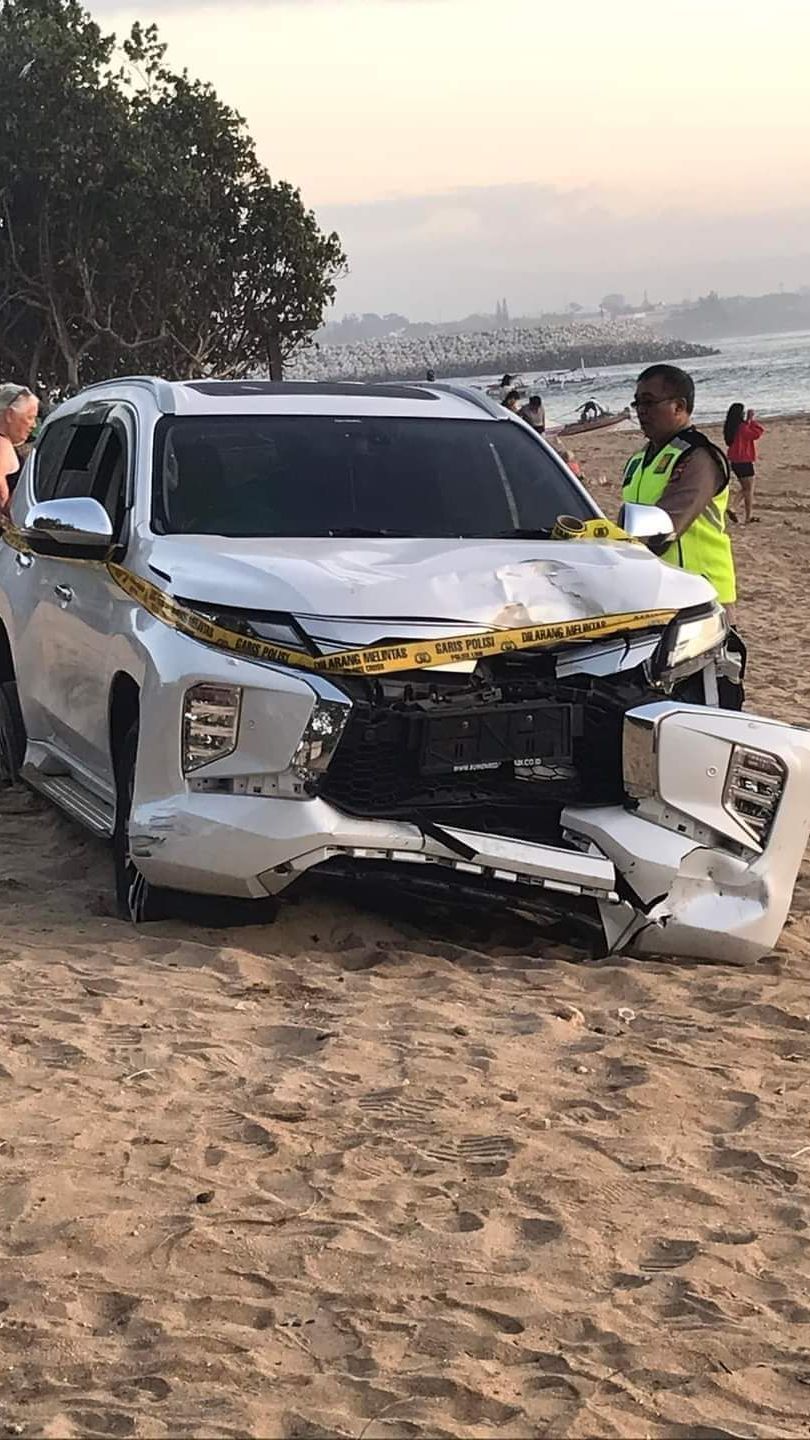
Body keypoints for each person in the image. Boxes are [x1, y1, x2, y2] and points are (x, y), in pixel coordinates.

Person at [622, 364, 736, 605]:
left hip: (700, 595)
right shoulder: (638, 460)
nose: (641, 411)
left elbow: (663, 530)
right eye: (637, 403)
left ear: (679, 407)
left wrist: (618, 548)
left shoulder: (698, 457)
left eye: (649, 402)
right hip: (656, 592)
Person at [0, 384, 39, 516]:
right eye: (30, 417)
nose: (33, 425)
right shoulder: (2, 446)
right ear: (9, 415)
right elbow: (2, 497)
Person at [724, 403, 764, 525]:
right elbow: (756, 433)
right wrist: (751, 420)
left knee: (746, 488)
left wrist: (748, 422)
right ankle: (744, 514)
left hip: (735, 460)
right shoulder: (742, 427)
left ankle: (736, 509)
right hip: (744, 460)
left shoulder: (730, 427)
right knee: (749, 488)